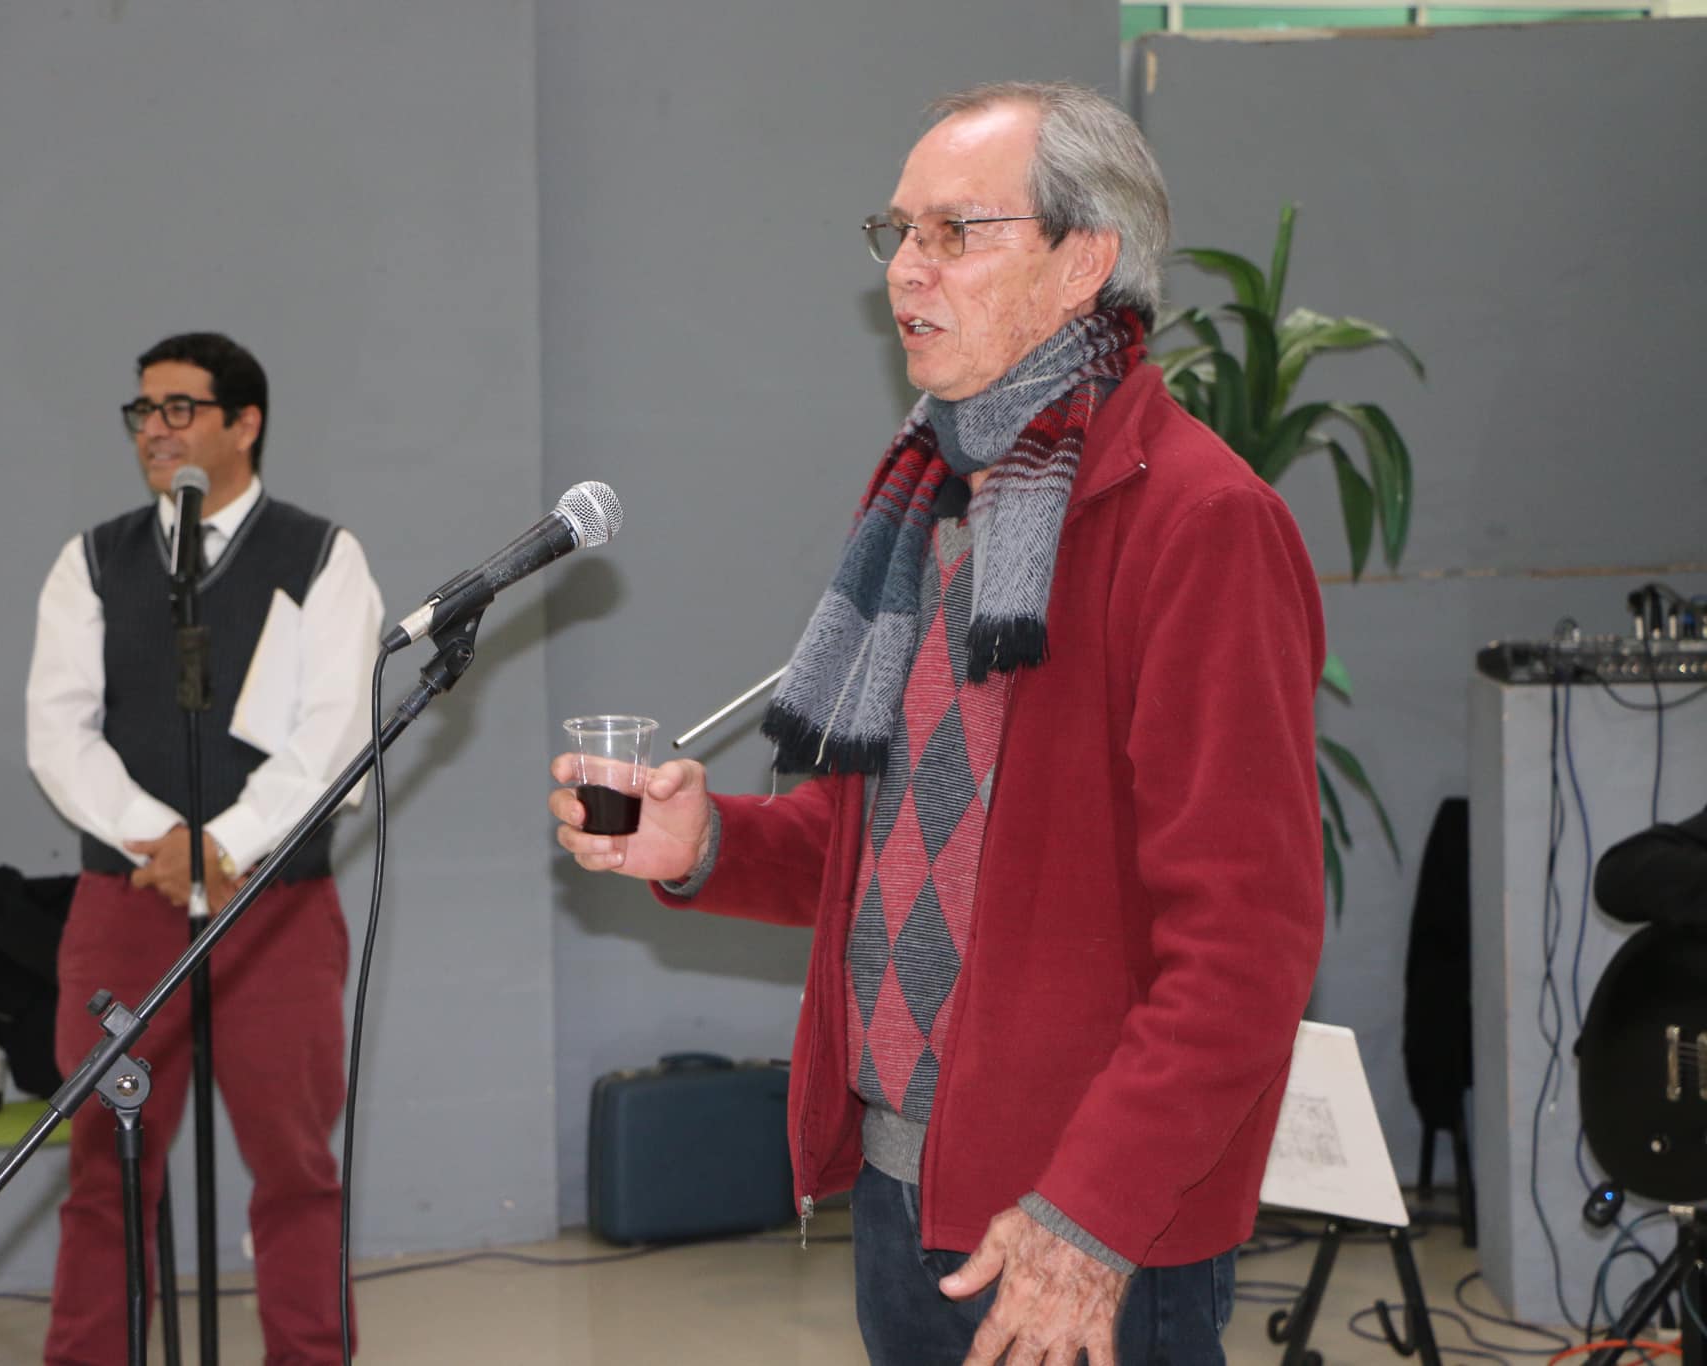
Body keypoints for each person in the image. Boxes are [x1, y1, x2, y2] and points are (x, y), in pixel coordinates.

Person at [549, 82, 1325, 1365]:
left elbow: (1245, 943)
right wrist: (705, 844)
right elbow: (895, 849)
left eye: (954, 231)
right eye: (897, 231)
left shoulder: (1198, 522)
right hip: (902, 1189)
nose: (905, 269)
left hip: (1074, 1226)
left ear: (1081, 260)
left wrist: (1087, 1220)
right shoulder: (933, 503)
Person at [28, 331, 383, 1364]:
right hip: (127, 902)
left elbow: (335, 731)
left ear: (244, 423)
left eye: (178, 408)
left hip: (276, 908)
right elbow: (58, 731)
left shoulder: (322, 556)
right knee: (105, 1167)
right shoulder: (92, 562)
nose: (154, 429)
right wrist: (163, 842)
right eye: (142, 410)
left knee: (296, 1168)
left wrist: (222, 845)